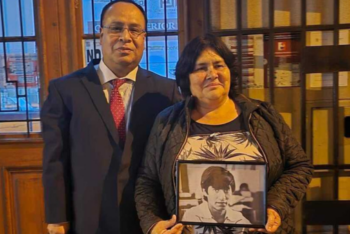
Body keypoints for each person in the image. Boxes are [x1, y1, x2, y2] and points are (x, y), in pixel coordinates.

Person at [135, 34, 313, 234]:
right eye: (201, 68)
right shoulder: (167, 122)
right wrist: (152, 224)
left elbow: (299, 166)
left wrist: (275, 206)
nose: (212, 74)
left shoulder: (263, 115)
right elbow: (147, 180)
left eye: (219, 65)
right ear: (186, 78)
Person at [41, 1, 181, 234]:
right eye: (116, 28)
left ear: (144, 38)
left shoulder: (166, 92)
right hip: (88, 218)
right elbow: (55, 160)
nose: (126, 37)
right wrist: (57, 218)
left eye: (135, 30)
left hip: (149, 220)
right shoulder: (65, 90)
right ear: (101, 35)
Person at [182, 166, 250, 224]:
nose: (222, 197)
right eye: (216, 190)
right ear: (205, 191)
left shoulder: (239, 219)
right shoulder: (191, 216)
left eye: (226, 190)